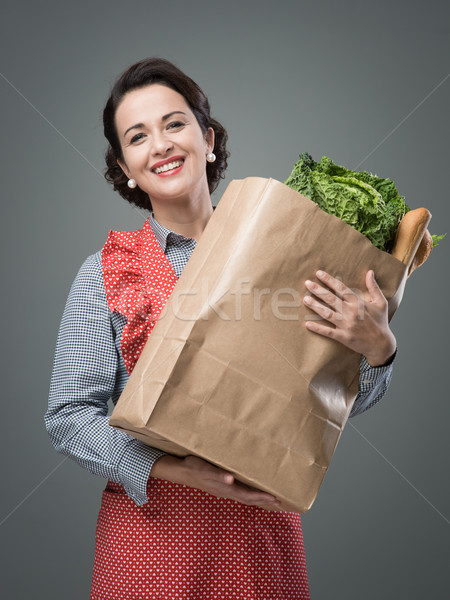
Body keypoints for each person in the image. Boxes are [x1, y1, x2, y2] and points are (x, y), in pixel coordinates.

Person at [45, 57, 397, 600]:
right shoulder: (104, 274)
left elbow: (325, 403)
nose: (160, 144)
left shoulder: (287, 250)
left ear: (207, 140)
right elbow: (69, 418)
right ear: (125, 168)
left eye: (174, 124)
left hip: (261, 543)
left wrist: (378, 351)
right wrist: (176, 469)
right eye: (137, 136)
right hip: (151, 548)